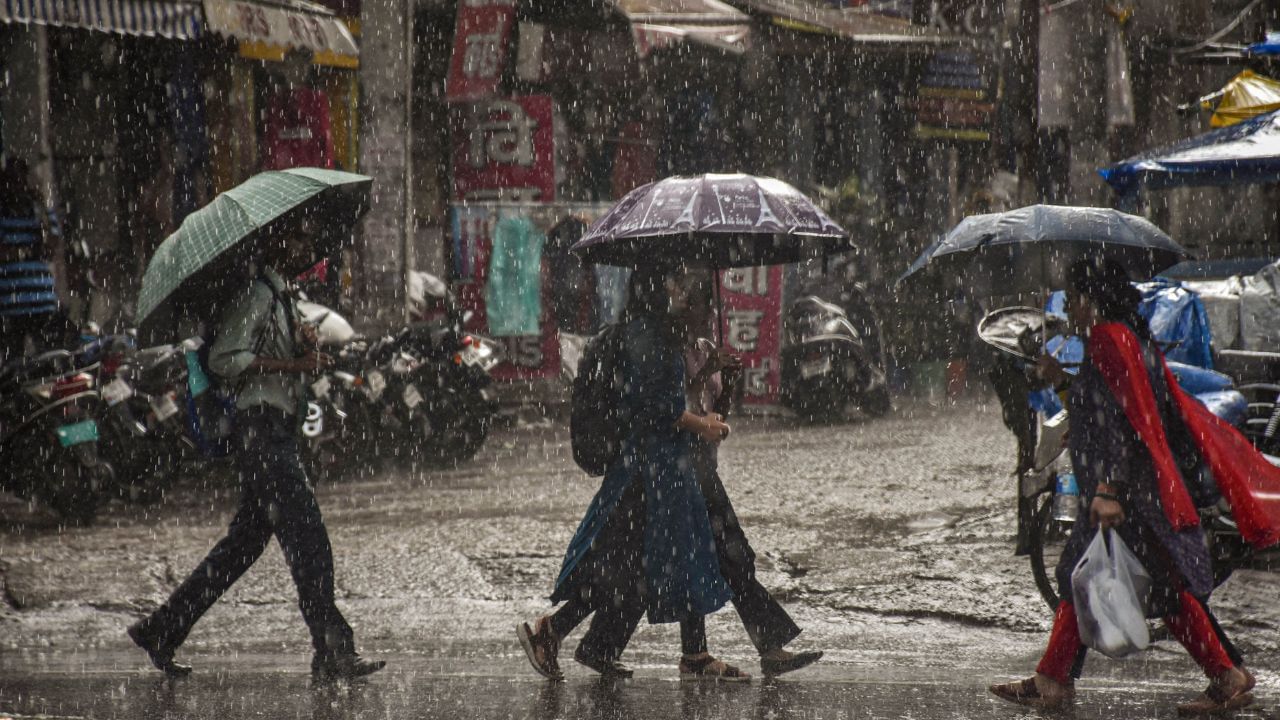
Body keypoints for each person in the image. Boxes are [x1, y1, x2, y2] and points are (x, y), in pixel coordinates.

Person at [989, 257, 1280, 714]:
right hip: (1126, 493)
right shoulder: (1122, 338)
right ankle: (1052, 678)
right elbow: (1104, 405)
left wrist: (1109, 488)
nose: (1071, 311)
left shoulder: (1110, 339)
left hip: (1129, 498)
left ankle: (1227, 675)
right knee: (1078, 576)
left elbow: (1126, 424)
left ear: (1090, 299)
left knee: (1165, 589)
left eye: (1075, 300)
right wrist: (1061, 381)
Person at [127, 220, 384, 683]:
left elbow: (278, 366)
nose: (309, 246)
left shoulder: (281, 297)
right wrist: (293, 362)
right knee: (310, 540)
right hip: (261, 434)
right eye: (301, 238)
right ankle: (333, 651)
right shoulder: (258, 295)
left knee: (240, 548)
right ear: (279, 244)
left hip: (274, 431)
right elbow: (227, 359)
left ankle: (162, 628)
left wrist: (304, 350)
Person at [517, 266, 733, 680]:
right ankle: (556, 632)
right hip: (650, 475)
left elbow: (660, 399)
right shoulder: (648, 336)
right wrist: (704, 424)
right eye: (673, 286)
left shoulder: (647, 331)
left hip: (655, 470)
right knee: (635, 564)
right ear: (657, 292)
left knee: (638, 566)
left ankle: (592, 642)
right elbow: (659, 408)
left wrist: (706, 378)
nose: (679, 295)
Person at [675, 270, 824, 680]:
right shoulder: (675, 351)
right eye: (700, 308)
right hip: (685, 468)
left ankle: (730, 650)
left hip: (705, 465)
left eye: (709, 309)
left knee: (723, 556)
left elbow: (717, 414)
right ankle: (753, 648)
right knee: (721, 556)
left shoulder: (706, 347)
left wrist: (729, 382)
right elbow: (675, 406)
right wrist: (706, 374)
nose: (706, 317)